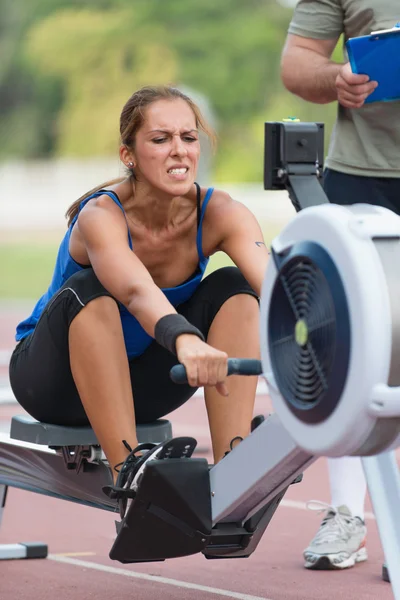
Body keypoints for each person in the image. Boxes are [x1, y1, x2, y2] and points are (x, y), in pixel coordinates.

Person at [9, 85, 269, 517]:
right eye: (161, 139)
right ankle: (129, 475)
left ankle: (233, 470)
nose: (179, 151)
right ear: (129, 155)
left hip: (143, 385)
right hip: (54, 382)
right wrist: (185, 339)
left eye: (188, 138)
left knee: (236, 286)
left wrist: (327, 329)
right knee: (91, 291)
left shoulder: (221, 213)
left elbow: (278, 288)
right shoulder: (100, 217)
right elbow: (135, 290)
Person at [280, 0, 400, 571]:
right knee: (347, 351)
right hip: (361, 176)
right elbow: (297, 63)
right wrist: (337, 79)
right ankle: (347, 513)